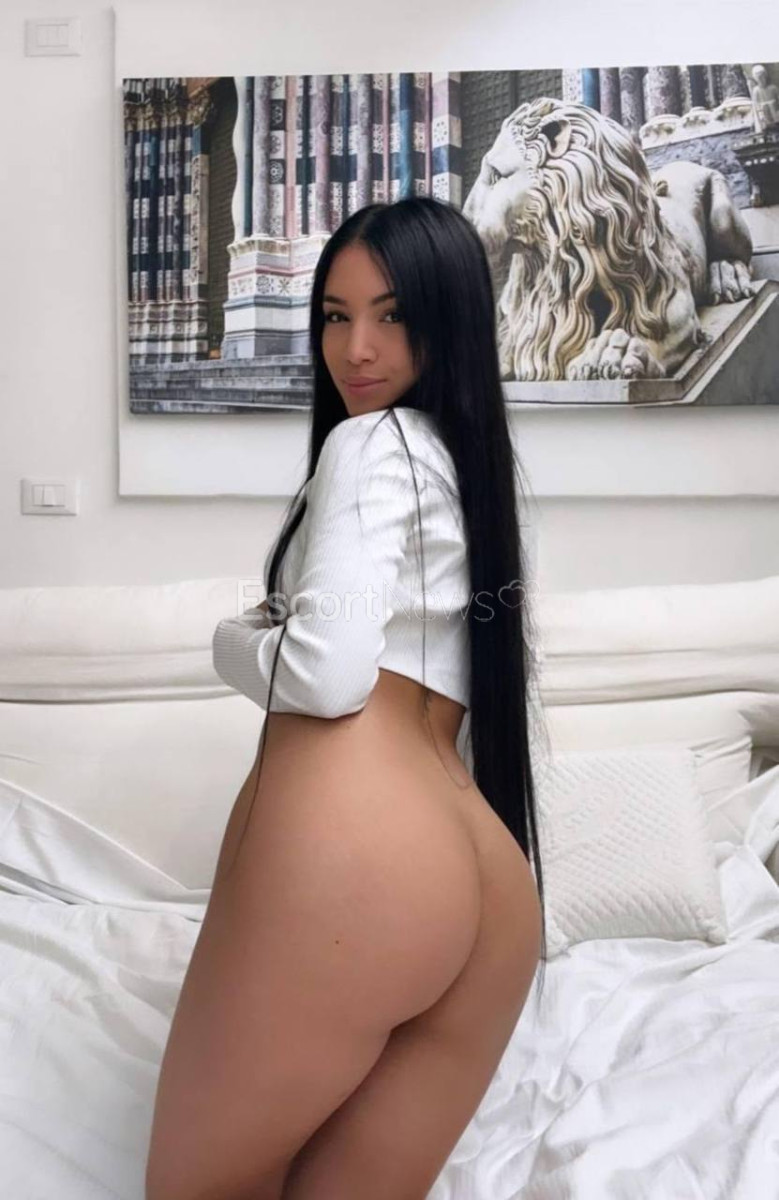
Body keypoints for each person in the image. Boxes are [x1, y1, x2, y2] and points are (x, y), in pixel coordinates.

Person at [145, 196, 548, 1200]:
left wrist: (236, 641)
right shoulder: (463, 464)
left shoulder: (371, 445)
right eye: (335, 315)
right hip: (489, 886)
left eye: (392, 314)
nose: (355, 348)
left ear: (448, 320)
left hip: (358, 860)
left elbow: (326, 677)